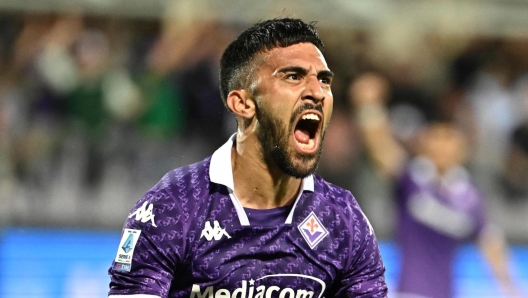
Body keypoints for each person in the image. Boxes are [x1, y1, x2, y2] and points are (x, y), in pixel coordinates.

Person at [108, 18, 388, 298]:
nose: (317, 92)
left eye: (324, 80)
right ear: (242, 103)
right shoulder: (174, 206)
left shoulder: (343, 219)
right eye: (293, 76)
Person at [349, 73, 519, 298]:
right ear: (424, 141)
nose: (442, 145)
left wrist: (511, 290)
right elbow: (381, 151)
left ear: (462, 146)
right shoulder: (411, 178)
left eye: (449, 138)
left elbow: (491, 244)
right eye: (436, 136)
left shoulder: (469, 197)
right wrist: (368, 107)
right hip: (408, 292)